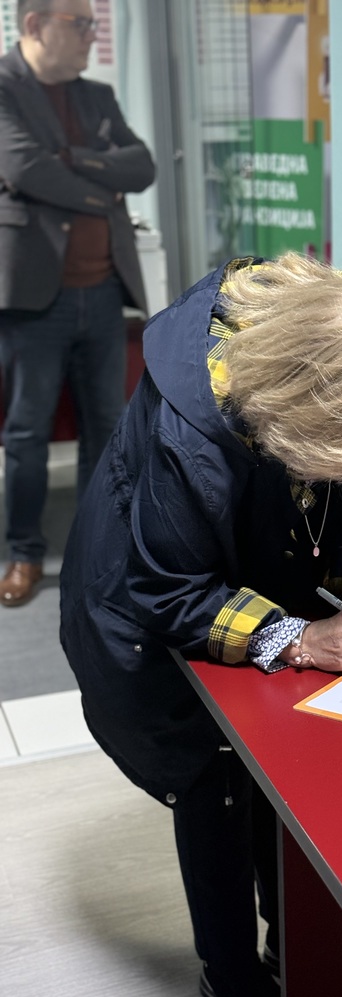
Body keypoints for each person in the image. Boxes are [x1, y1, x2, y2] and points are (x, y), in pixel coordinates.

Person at [59, 252, 342, 997]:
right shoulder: (191, 434)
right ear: (307, 425)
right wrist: (298, 638)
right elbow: (168, 589)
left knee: (282, 786)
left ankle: (294, 944)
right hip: (151, 597)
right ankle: (230, 976)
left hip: (258, 556)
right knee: (214, 788)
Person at [0, 0, 156, 607]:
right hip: (36, 299)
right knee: (26, 431)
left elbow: (140, 167)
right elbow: (25, 168)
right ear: (34, 24)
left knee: (107, 429)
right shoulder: (6, 87)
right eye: (81, 23)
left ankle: (98, 548)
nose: (93, 34)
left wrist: (72, 162)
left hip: (105, 290)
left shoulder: (97, 96)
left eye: (94, 22)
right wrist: (100, 189)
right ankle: (23, 552)